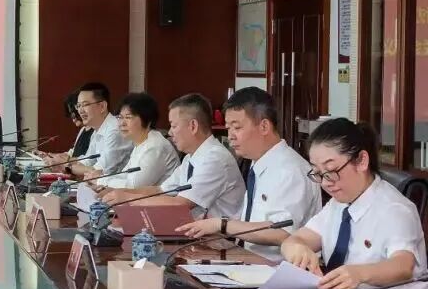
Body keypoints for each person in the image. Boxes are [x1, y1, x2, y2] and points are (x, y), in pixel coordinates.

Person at [281, 118, 428, 289]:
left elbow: (403, 266)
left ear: (361, 161)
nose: (325, 183)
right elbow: (296, 239)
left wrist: (359, 274)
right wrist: (297, 249)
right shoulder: (338, 203)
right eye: (318, 173)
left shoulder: (395, 209)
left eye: (331, 171)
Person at [176, 87, 320, 260]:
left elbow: (282, 233)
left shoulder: (290, 170)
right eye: (228, 128)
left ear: (264, 126)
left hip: (275, 268)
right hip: (246, 260)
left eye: (237, 127)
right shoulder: (258, 163)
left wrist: (222, 225)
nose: (231, 136)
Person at [103, 93, 245, 219]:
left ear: (193, 126)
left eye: (174, 126)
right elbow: (161, 190)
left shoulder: (215, 158)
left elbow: (181, 204)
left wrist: (127, 199)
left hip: (219, 237)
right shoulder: (190, 157)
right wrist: (118, 192)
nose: (170, 133)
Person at [44, 82, 132, 177]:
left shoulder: (115, 130)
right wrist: (60, 162)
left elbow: (100, 171)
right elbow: (87, 161)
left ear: (102, 106)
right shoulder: (97, 130)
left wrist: (66, 166)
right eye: (78, 106)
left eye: (85, 105)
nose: (80, 111)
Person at [93, 93, 178, 190]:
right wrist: (101, 177)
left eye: (128, 117)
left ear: (147, 120)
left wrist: (100, 181)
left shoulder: (155, 147)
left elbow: (134, 186)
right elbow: (125, 175)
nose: (122, 123)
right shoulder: (140, 142)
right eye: (120, 117)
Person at [64, 91, 93, 158]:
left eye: (74, 116)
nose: (73, 120)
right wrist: (51, 156)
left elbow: (88, 160)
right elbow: (73, 153)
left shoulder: (96, 131)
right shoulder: (82, 130)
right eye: (71, 116)